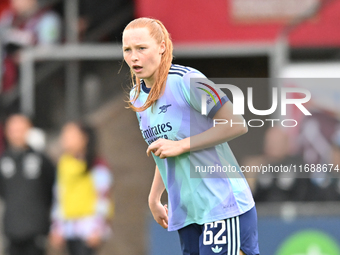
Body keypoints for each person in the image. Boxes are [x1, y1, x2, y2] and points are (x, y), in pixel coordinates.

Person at [122, 18, 259, 255]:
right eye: (127, 50)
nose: (134, 57)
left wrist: (182, 145)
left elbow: (236, 124)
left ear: (162, 46)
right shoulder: (137, 96)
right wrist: (155, 197)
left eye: (141, 48)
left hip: (223, 204)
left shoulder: (187, 80)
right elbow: (164, 150)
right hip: (187, 212)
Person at [49, 122, 113, 255]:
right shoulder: (64, 163)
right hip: (69, 228)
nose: (65, 139)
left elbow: (103, 197)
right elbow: (59, 196)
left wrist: (98, 228)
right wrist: (57, 227)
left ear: (84, 138)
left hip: (88, 228)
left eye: (71, 135)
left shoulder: (97, 164)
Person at [0, 114, 55, 255]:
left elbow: (52, 188)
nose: (17, 134)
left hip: (36, 229)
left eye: (21, 129)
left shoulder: (41, 159)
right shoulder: (4, 160)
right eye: (13, 129)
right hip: (12, 230)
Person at [0, 0, 61, 111]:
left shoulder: (48, 18)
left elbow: (48, 49)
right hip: (9, 76)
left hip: (38, 76)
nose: (15, 3)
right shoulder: (9, 17)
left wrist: (26, 55)